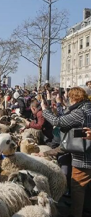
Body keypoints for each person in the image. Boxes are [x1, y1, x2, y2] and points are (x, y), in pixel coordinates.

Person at [42, 87, 91, 217]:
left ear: (74, 98)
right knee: (88, 189)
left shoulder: (81, 112)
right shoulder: (88, 108)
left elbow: (58, 121)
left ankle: (76, 214)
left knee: (78, 189)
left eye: (69, 97)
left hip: (83, 159)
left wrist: (45, 110)